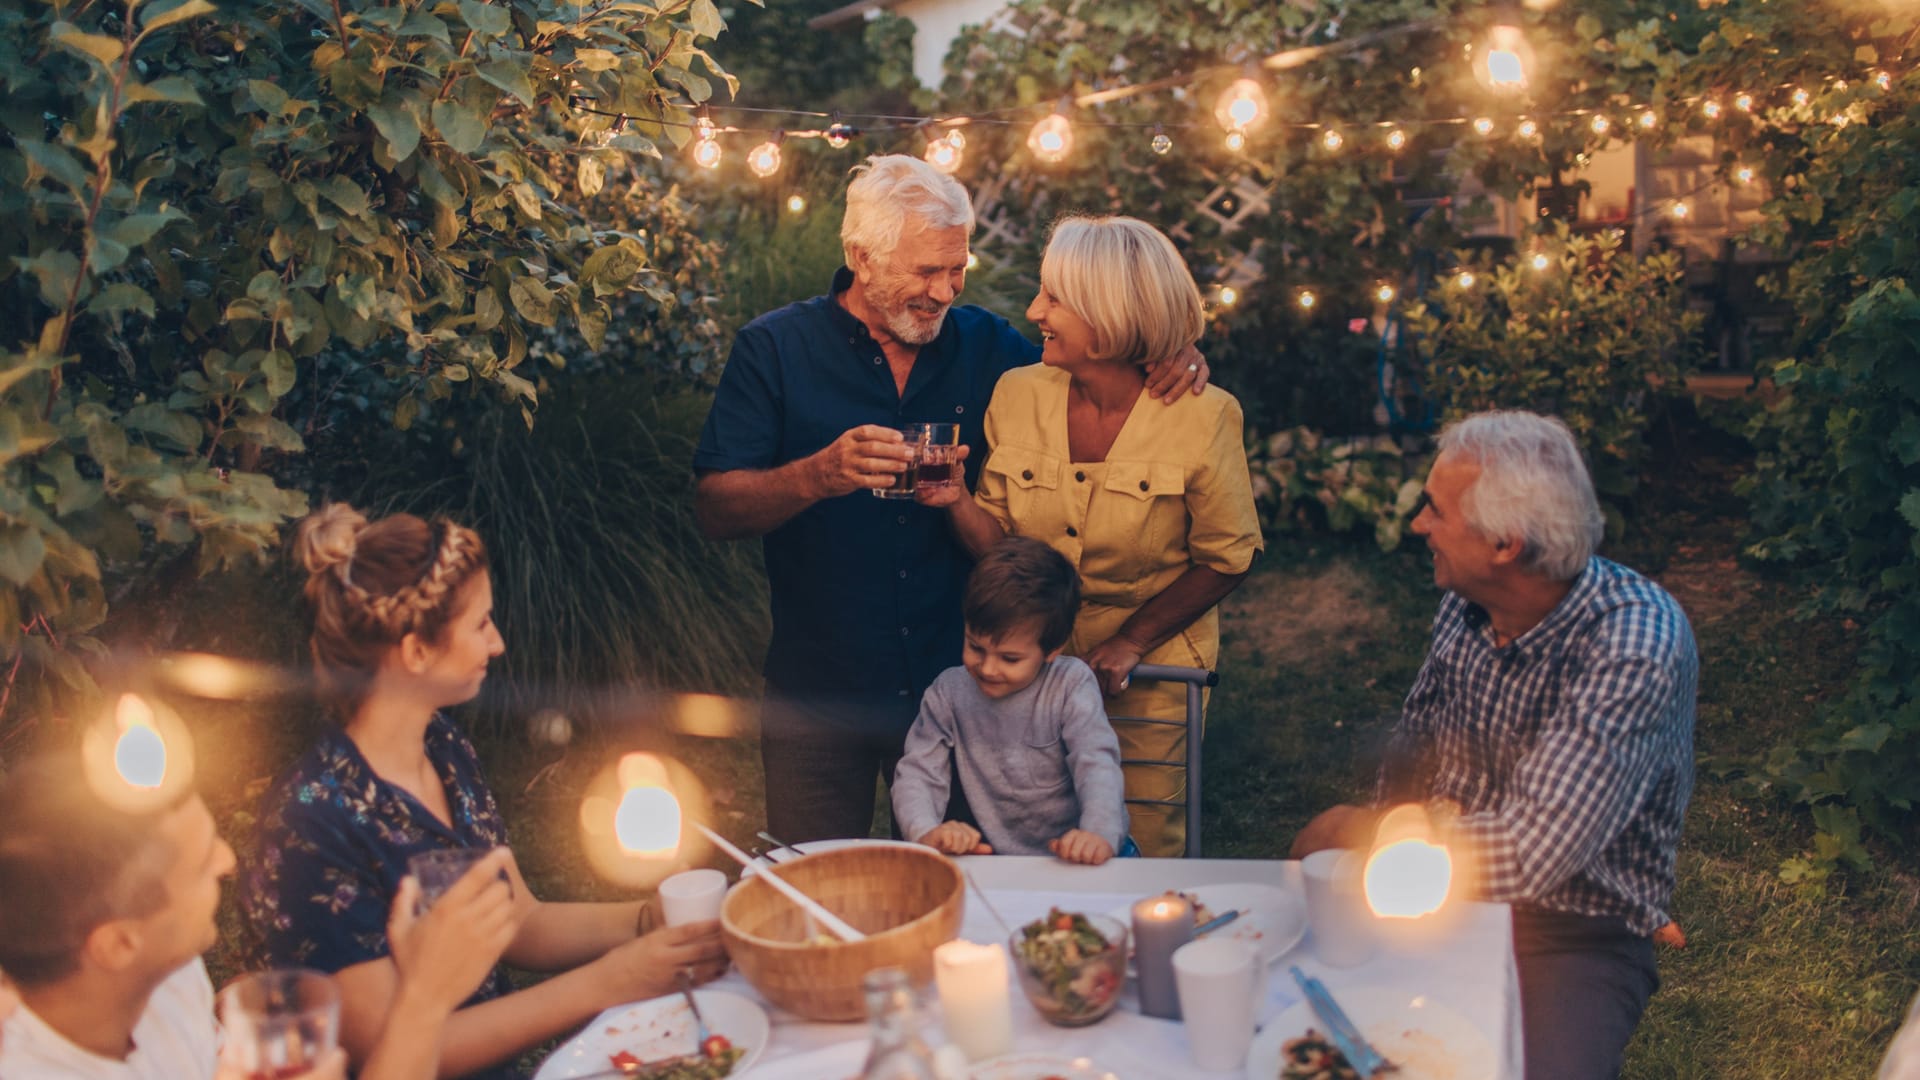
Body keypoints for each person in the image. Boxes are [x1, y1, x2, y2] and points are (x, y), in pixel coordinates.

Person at [692, 155, 1208, 845]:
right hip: (820, 691)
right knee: (815, 885)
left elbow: (1095, 362)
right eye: (926, 272)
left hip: (973, 685)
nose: (945, 290)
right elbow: (715, 508)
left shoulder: (990, 348)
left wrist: (1176, 353)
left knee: (982, 885)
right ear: (861, 258)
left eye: (956, 268)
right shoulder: (774, 350)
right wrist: (817, 473)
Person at [239, 505, 729, 1080]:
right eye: (480, 624)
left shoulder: (442, 746)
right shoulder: (314, 826)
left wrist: (651, 922)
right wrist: (611, 980)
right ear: (417, 652)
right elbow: (391, 1052)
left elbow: (519, 921)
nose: (496, 644)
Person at [1290, 410, 1698, 1080]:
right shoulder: (1468, 598)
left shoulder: (1634, 646)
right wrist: (1386, 844)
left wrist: (1358, 833)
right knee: (1310, 1034)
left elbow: (1533, 852)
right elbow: (1417, 740)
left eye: (1435, 510)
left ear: (1505, 544)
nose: (1419, 525)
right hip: (1434, 885)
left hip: (1574, 927)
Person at [926, 215, 1263, 856]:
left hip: (1149, 677)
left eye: (1054, 298)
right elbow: (1006, 551)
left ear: (1109, 315)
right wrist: (956, 500)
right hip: (1034, 670)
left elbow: (1228, 557)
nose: (1035, 310)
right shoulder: (1017, 392)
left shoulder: (1206, 415)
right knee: (1038, 836)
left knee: (1139, 845)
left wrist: (1132, 640)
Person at [0, 751, 517, 1080]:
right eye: (202, 863)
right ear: (118, 945)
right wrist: (424, 998)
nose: (227, 861)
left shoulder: (167, 977)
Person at [891, 536, 1129, 864]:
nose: (988, 668)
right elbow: (918, 772)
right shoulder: (948, 692)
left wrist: (1099, 834)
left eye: (1010, 658)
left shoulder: (1070, 684)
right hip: (1002, 862)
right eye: (975, 647)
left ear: (1052, 650)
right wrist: (925, 831)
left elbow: (1096, 763)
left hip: (1084, 856)